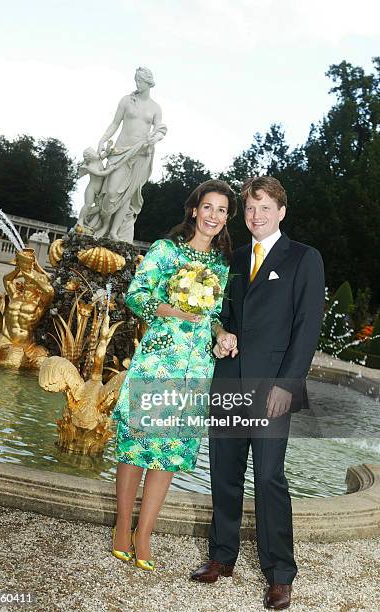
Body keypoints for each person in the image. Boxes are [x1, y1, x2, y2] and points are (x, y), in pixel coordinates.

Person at [191, 176, 325, 610]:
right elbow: (224, 313)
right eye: (250, 208)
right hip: (229, 381)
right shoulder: (234, 258)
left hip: (273, 389)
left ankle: (280, 573)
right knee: (224, 473)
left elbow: (307, 328)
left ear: (281, 212)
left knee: (269, 478)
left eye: (265, 208)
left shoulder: (304, 258)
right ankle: (221, 557)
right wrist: (222, 332)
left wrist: (289, 385)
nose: (256, 215)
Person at [111, 179, 237, 570]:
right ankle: (120, 527)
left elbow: (214, 316)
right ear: (194, 210)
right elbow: (136, 295)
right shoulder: (166, 251)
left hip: (196, 369)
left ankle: (144, 534)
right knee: (136, 447)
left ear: (227, 218)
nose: (213, 216)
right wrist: (174, 311)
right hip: (158, 361)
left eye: (222, 210)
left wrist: (221, 334)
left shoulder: (221, 265)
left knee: (168, 454)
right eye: (208, 207)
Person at [86, 66, 167, 242]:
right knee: (111, 191)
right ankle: (105, 224)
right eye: (136, 80)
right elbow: (115, 123)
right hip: (120, 152)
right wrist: (102, 140)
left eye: (140, 81)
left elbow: (160, 128)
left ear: (148, 83)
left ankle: (115, 231)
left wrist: (156, 138)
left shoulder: (155, 108)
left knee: (127, 196)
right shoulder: (126, 101)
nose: (137, 84)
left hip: (140, 155)